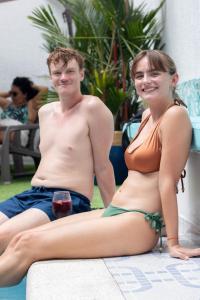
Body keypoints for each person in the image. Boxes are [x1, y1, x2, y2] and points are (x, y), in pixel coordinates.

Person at [1, 49, 200, 287]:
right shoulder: (148, 115)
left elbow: (167, 181)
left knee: (27, 244)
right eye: (139, 75)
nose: (146, 81)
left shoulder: (175, 116)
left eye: (154, 74)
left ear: (174, 79)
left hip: (139, 220)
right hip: (117, 210)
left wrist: (174, 241)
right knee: (21, 238)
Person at [0, 47, 115, 255]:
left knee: (3, 237)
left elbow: (103, 165)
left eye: (70, 71)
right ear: (51, 77)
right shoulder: (45, 112)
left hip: (67, 198)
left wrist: (115, 214)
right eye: (57, 73)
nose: (63, 77)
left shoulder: (93, 108)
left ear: (81, 73)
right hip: (32, 193)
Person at [0, 77, 47, 145]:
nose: (12, 96)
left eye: (15, 94)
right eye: (11, 93)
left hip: (18, 134)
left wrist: (29, 85)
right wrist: (8, 93)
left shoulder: (31, 105)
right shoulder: (7, 104)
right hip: (4, 130)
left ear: (25, 94)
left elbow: (45, 89)